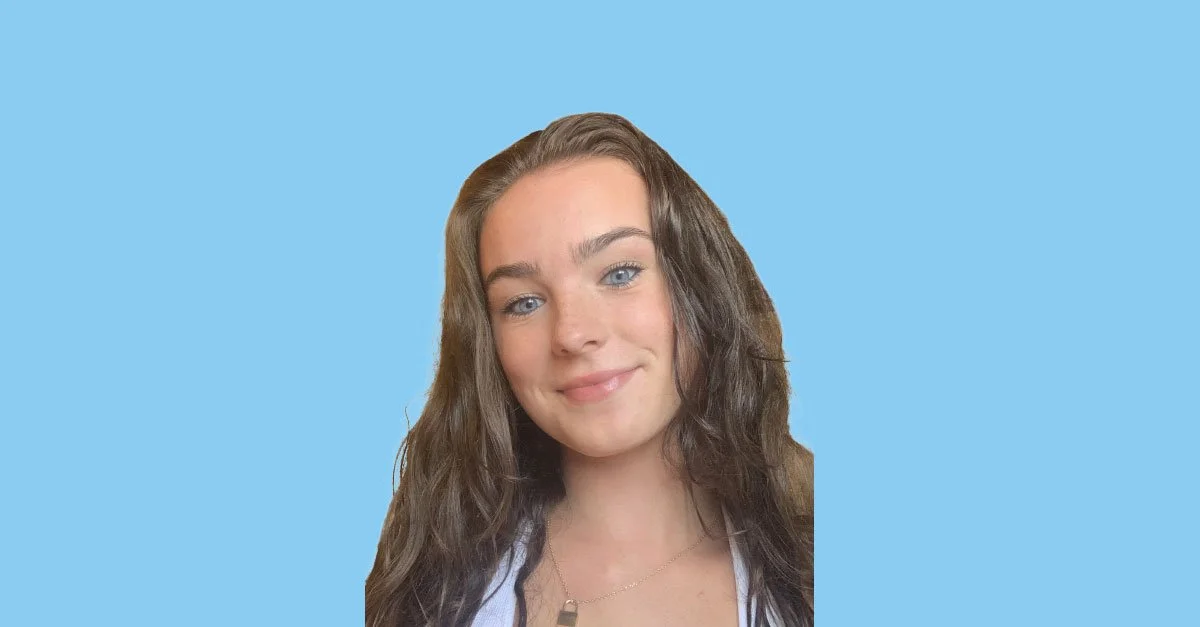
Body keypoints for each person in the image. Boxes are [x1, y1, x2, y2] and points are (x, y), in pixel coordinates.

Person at [366, 113, 814, 626]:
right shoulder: (429, 579)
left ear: (701, 284)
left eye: (620, 273)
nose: (573, 335)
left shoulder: (812, 563)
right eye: (524, 303)